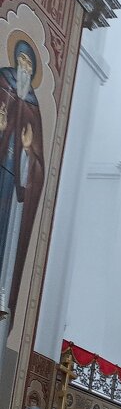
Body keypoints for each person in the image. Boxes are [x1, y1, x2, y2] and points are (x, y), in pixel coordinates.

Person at [0, 39, 44, 319]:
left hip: (11, 184)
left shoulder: (32, 105)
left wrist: (28, 154)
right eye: (22, 62)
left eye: (30, 64)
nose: (25, 68)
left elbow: (37, 157)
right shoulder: (3, 83)